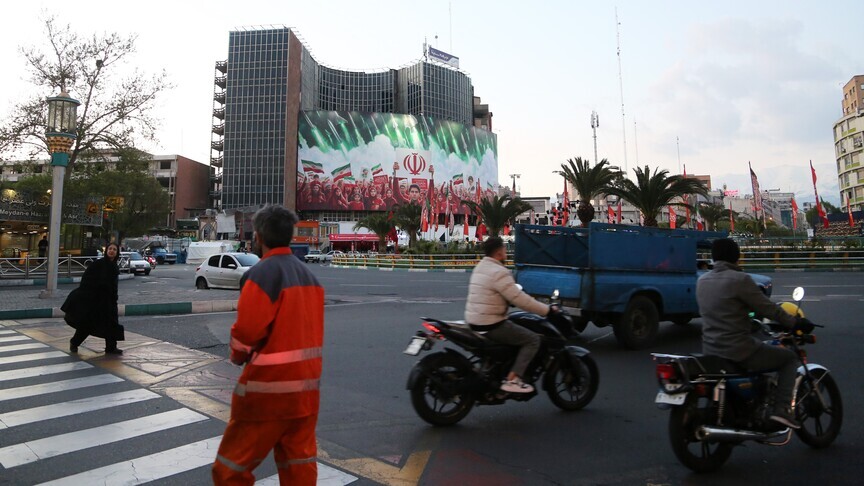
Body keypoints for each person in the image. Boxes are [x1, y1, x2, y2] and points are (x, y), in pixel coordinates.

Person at [212, 205, 325, 485]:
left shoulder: (261, 275)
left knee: (231, 470)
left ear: (259, 236)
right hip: (305, 393)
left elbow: (247, 332)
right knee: (298, 468)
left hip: (267, 392)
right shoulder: (311, 278)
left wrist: (237, 355)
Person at [696, 238, 814, 430]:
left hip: (710, 350)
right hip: (738, 350)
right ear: (736, 256)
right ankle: (781, 410)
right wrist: (794, 322)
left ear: (714, 257)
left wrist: (748, 322)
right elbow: (768, 308)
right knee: (789, 359)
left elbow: (722, 312)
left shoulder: (702, 281)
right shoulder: (740, 280)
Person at [464, 236, 555, 393]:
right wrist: (546, 310)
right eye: (505, 249)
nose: (506, 253)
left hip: (473, 321)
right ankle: (513, 380)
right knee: (532, 340)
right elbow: (520, 299)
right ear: (499, 252)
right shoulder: (500, 272)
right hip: (490, 324)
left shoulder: (480, 267)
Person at [64, 242, 124, 355]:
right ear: (106, 251)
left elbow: (113, 285)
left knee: (111, 323)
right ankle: (75, 342)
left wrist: (113, 297)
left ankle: (111, 347)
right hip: (95, 300)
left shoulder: (114, 266)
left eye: (114, 249)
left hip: (109, 301)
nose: (112, 251)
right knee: (89, 324)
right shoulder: (98, 264)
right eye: (110, 249)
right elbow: (87, 279)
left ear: (117, 253)